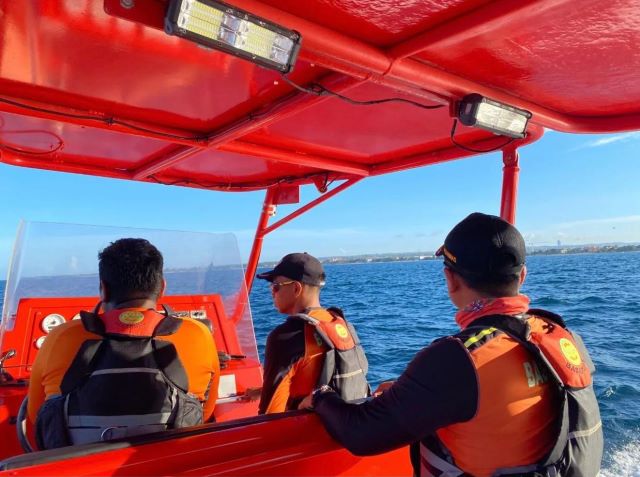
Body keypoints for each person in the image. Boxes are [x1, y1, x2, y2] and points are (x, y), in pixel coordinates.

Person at [302, 213, 603, 477]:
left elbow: (362, 434)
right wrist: (410, 392)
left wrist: (321, 397)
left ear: (450, 279)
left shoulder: (457, 359)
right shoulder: (562, 338)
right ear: (522, 276)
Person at [28, 238, 220, 449]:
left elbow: (36, 416)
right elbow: (207, 411)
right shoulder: (197, 334)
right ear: (162, 288)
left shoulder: (60, 337)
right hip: (168, 465)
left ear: (104, 289)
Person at [256, 252, 370, 414]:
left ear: (296, 288)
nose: (272, 292)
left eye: (276, 286)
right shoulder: (340, 323)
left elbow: (270, 412)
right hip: (347, 426)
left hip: (307, 432)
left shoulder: (286, 336)